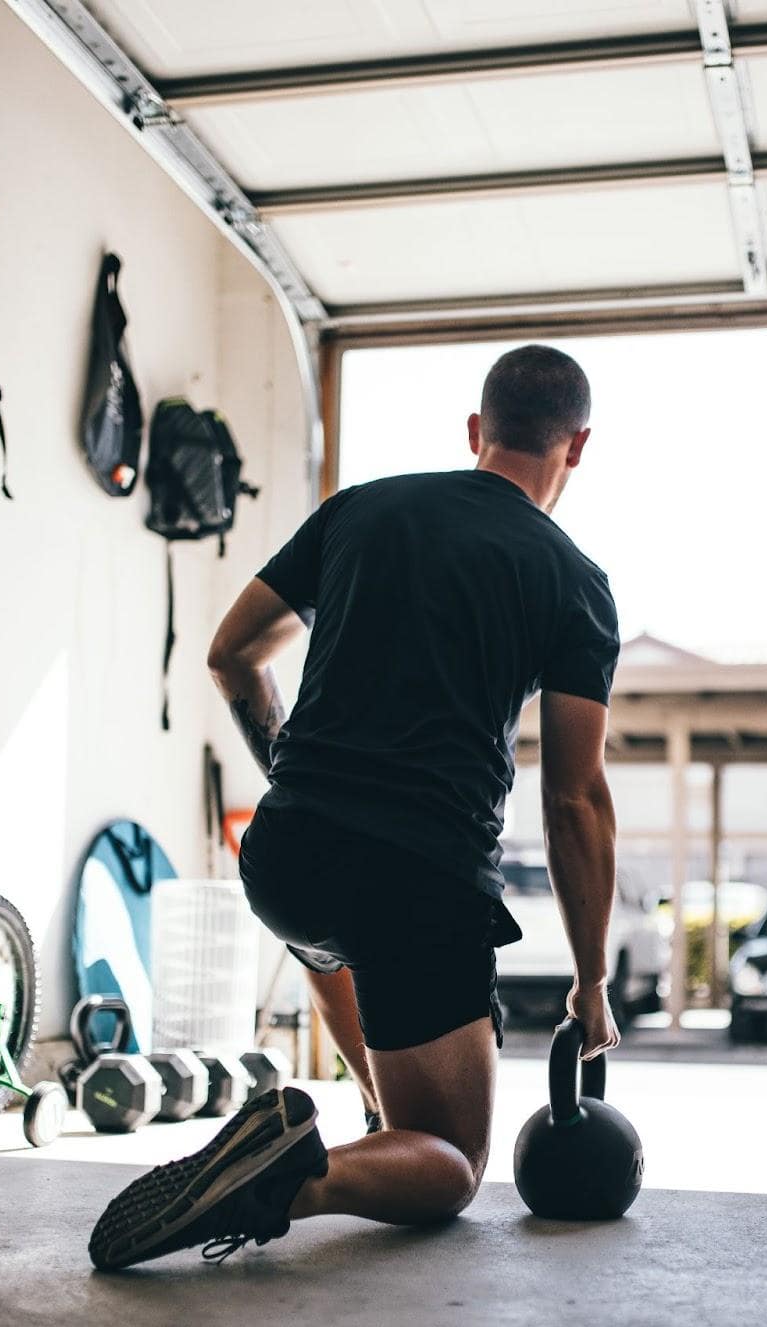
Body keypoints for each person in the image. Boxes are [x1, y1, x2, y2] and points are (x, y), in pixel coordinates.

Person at [88, 344, 621, 1272]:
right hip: (418, 878)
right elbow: (574, 797)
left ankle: (379, 1123)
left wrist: (288, 767)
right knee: (454, 1166)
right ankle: (302, 1177)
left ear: (474, 432)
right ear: (576, 447)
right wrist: (591, 982)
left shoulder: (360, 509)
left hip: (288, 855)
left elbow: (231, 655)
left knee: (337, 938)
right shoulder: (571, 581)